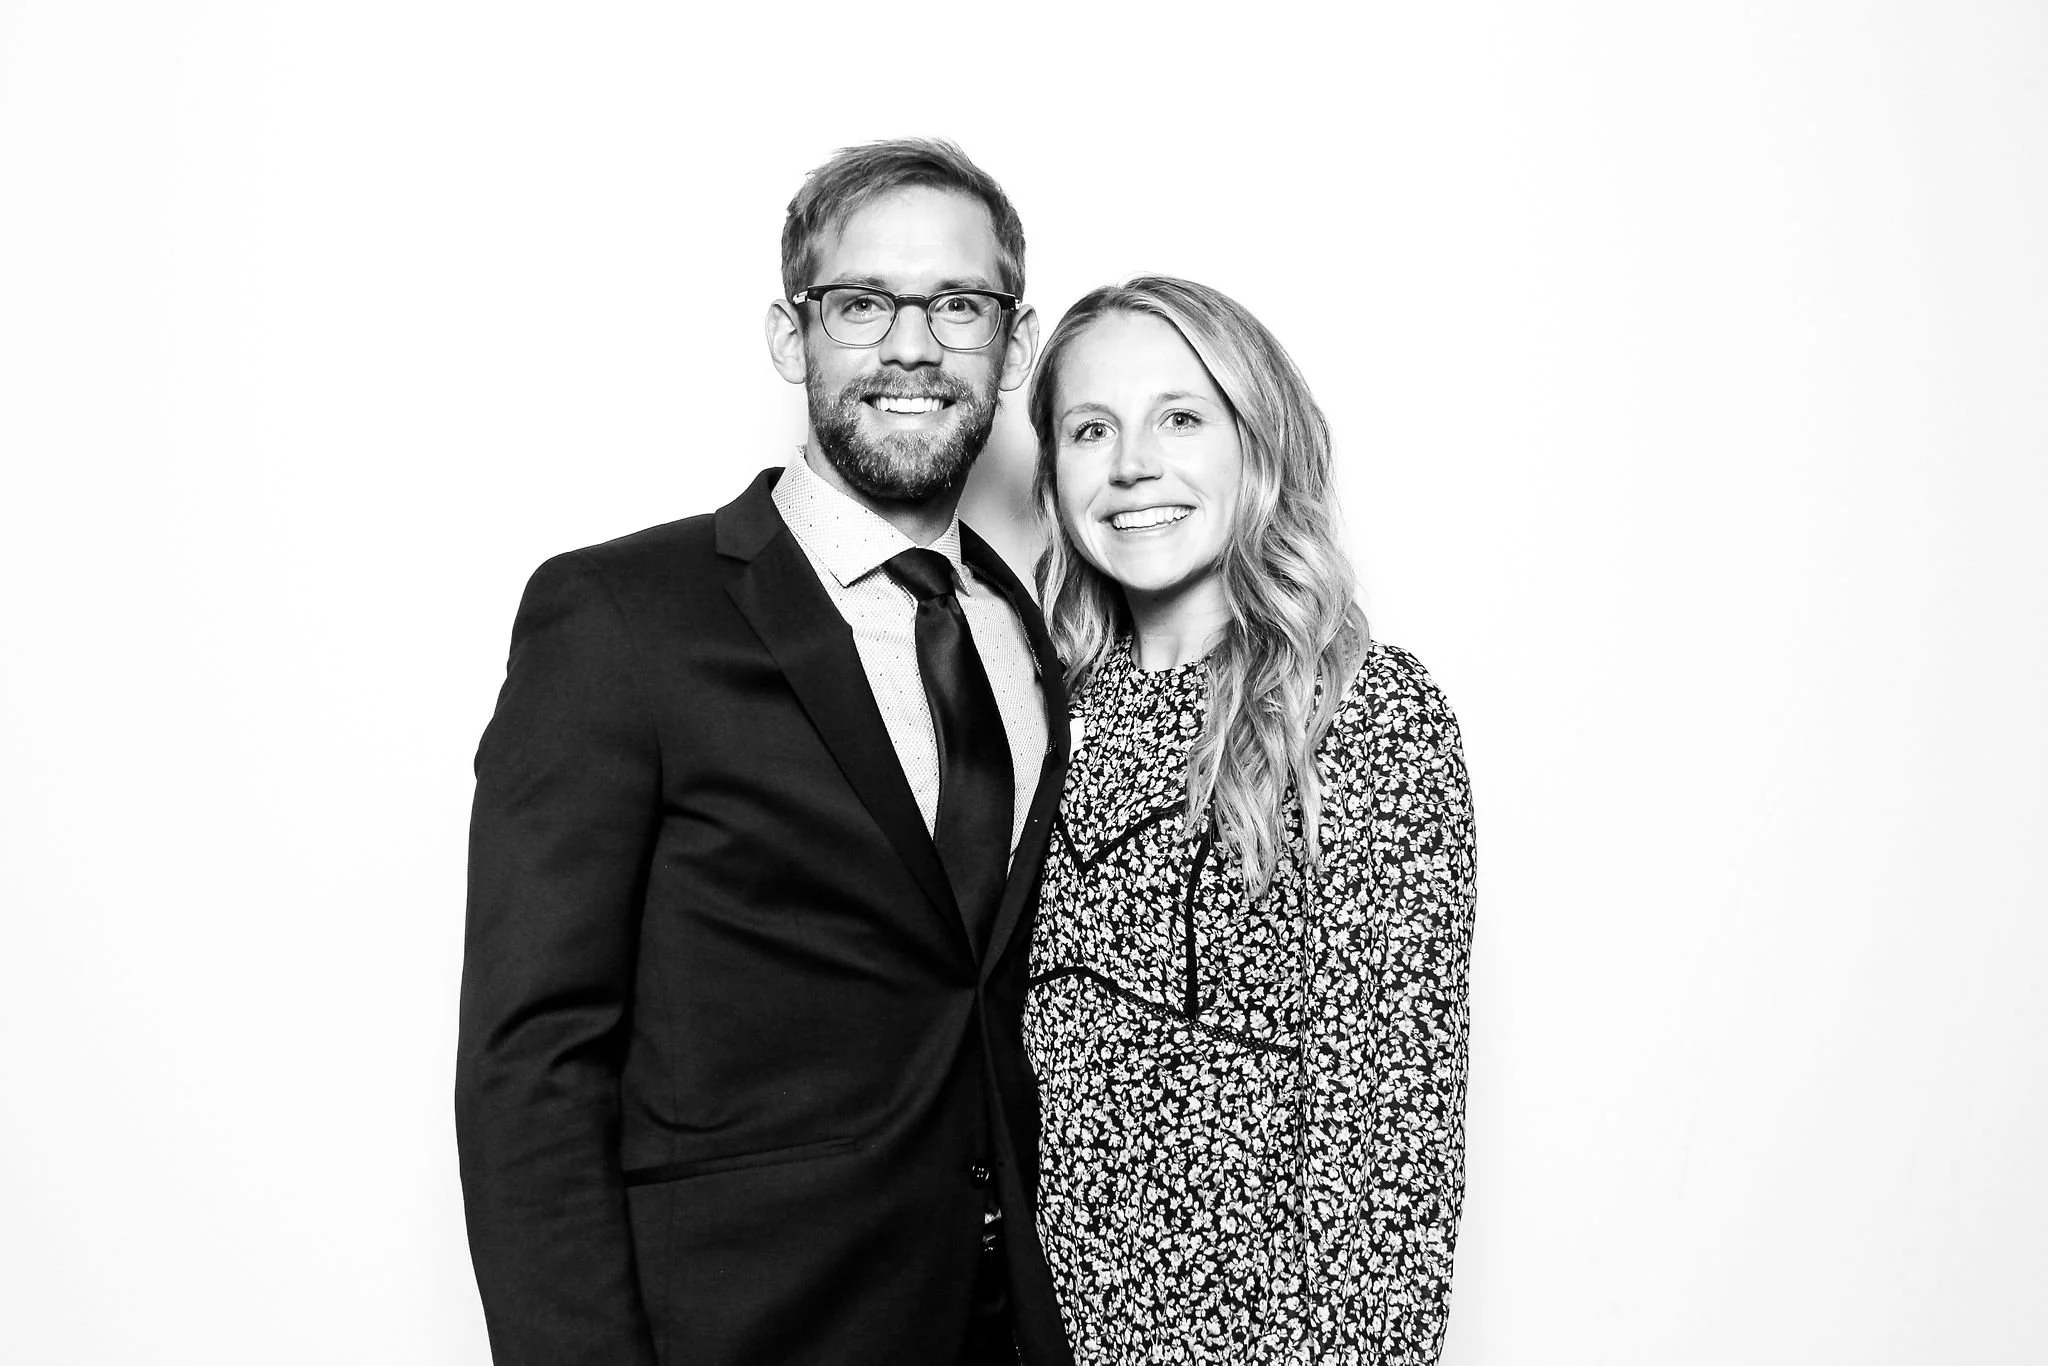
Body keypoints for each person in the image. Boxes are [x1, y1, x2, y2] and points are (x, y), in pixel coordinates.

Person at [456, 139, 1076, 1366]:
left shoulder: (1026, 631)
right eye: (862, 304)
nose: (912, 346)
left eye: (958, 304)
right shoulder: (620, 619)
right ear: (793, 338)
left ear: (1012, 346)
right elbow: (532, 1059)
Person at [1021, 277, 1478, 1364]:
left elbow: (1391, 1147)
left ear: (1256, 444)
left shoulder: (1360, 713)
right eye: (1092, 429)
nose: (1132, 464)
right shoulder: (1032, 709)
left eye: (1180, 417)